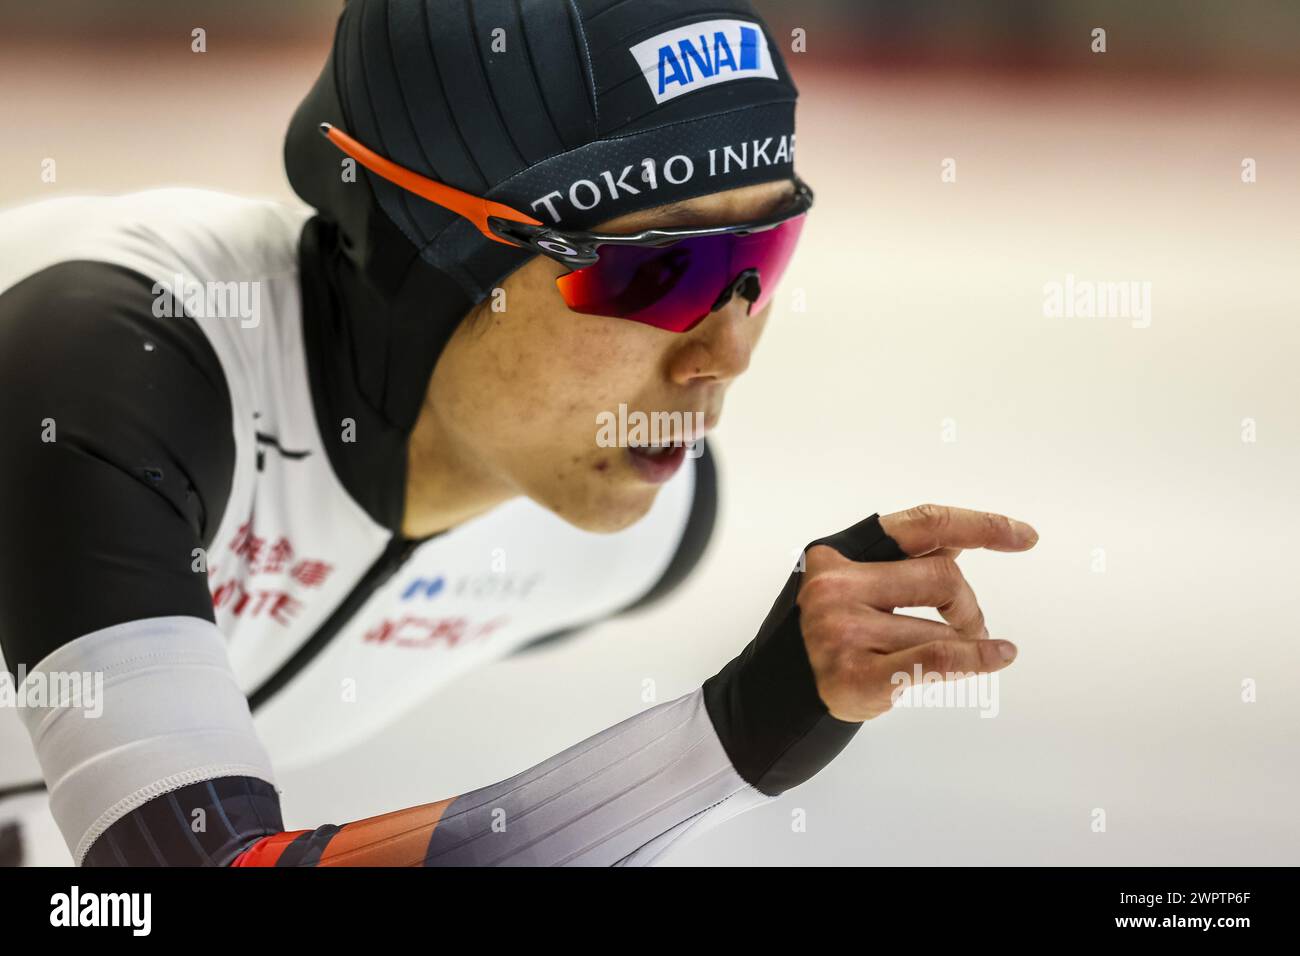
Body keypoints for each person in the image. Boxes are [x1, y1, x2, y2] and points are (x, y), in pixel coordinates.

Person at [0, 0, 1035, 866]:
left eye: (761, 255)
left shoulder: (634, 536)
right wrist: (729, 738)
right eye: (656, 271)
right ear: (430, 256)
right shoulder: (113, 366)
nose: (726, 355)